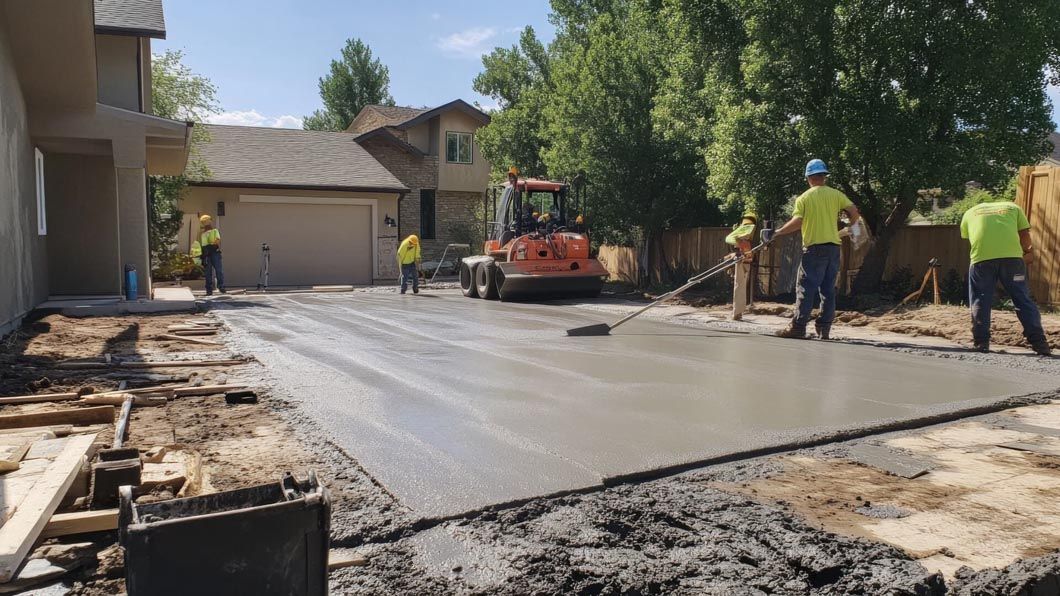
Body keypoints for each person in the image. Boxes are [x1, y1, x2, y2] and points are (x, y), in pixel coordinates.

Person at [771, 159, 860, 339]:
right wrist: (854, 228)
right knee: (828, 290)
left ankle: (798, 327)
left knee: (805, 287)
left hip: (814, 249)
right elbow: (854, 210)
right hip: (834, 249)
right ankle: (824, 328)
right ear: (824, 176)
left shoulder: (804, 198)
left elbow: (798, 221)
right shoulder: (836, 195)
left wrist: (778, 232)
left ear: (808, 177)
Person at [960, 200, 1051, 355]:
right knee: (1022, 298)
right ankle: (1040, 344)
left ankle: (981, 343)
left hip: (982, 260)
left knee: (980, 299)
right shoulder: (1013, 207)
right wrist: (1028, 252)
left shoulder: (969, 212)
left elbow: (974, 238)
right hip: (1012, 260)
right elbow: (1024, 234)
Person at [725, 212, 758, 321]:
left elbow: (747, 254)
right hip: (742, 263)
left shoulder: (745, 239)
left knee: (739, 287)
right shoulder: (744, 237)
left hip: (744, 263)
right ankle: (737, 312)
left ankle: (738, 312)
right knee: (739, 287)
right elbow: (743, 250)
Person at [198, 214, 225, 296]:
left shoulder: (214, 231)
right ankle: (210, 289)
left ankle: (220, 287)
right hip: (208, 254)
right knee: (209, 272)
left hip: (213, 253)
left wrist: (209, 247)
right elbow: (203, 244)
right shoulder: (202, 234)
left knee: (217, 271)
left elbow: (217, 241)